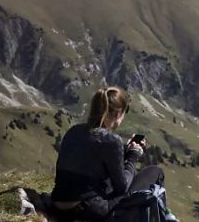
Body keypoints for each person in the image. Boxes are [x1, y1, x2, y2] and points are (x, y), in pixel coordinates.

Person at [50, 87, 174, 221]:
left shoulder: (74, 131)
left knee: (118, 178)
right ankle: (164, 217)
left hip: (58, 206)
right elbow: (122, 187)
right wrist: (133, 156)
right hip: (88, 210)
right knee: (155, 172)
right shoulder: (111, 139)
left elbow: (92, 162)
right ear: (118, 113)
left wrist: (125, 151)